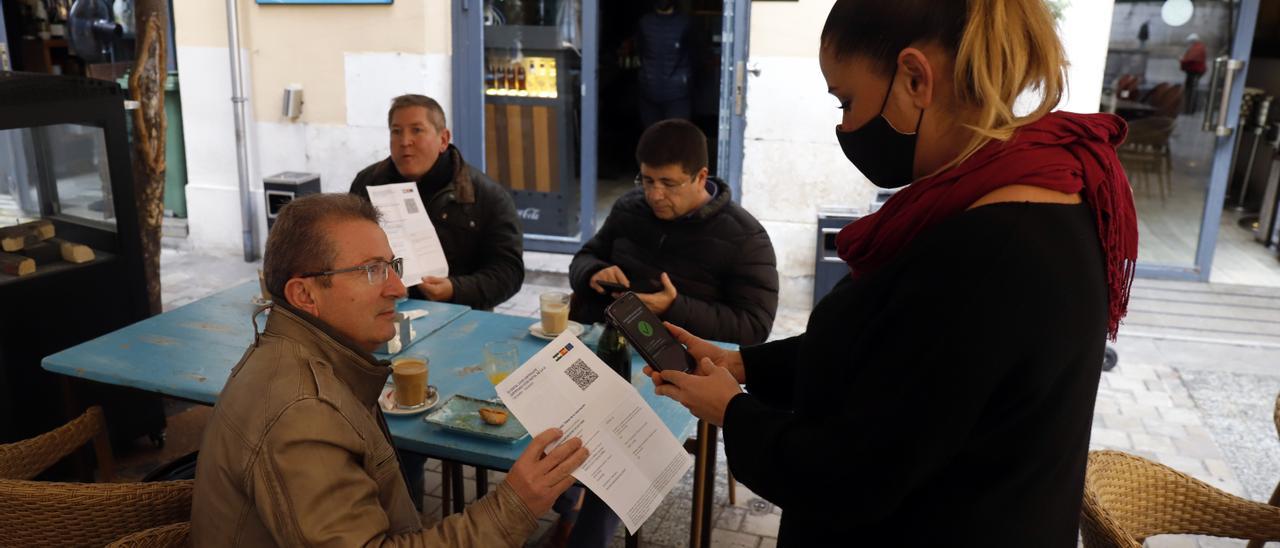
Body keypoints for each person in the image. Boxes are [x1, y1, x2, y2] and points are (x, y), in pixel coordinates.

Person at [645, 1, 1138, 546]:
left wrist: (733, 414)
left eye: (847, 100)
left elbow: (854, 476)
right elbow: (892, 355)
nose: (845, 125)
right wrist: (744, 365)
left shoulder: (986, 253)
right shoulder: (1032, 185)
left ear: (915, 78)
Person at [191, 194, 588, 547]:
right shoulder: (301, 413)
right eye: (371, 270)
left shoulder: (300, 356)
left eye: (392, 266)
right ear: (304, 294)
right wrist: (515, 505)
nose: (398, 287)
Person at [569, 118, 779, 346]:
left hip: (682, 361)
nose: (655, 195)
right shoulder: (629, 207)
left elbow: (754, 327)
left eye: (668, 184)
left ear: (700, 177)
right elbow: (583, 258)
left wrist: (674, 307)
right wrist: (594, 272)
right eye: (647, 180)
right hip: (605, 343)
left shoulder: (745, 238)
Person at [349, 94, 524, 312]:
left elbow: (509, 272)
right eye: (396, 131)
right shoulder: (366, 184)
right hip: (381, 310)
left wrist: (454, 289)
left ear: (443, 139)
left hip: (457, 318)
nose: (405, 141)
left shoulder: (486, 195)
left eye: (417, 130)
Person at [635, 0, 694, 129]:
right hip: (650, 95)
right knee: (655, 142)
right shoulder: (645, 23)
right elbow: (640, 51)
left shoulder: (685, 24)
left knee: (673, 142)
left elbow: (695, 55)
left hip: (676, 98)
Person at [1181, 33, 1207, 114]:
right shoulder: (1197, 47)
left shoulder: (1197, 48)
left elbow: (1191, 58)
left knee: (1191, 91)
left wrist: (1182, 60)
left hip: (1194, 72)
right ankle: (1188, 109)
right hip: (1193, 71)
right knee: (1190, 90)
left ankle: (1189, 110)